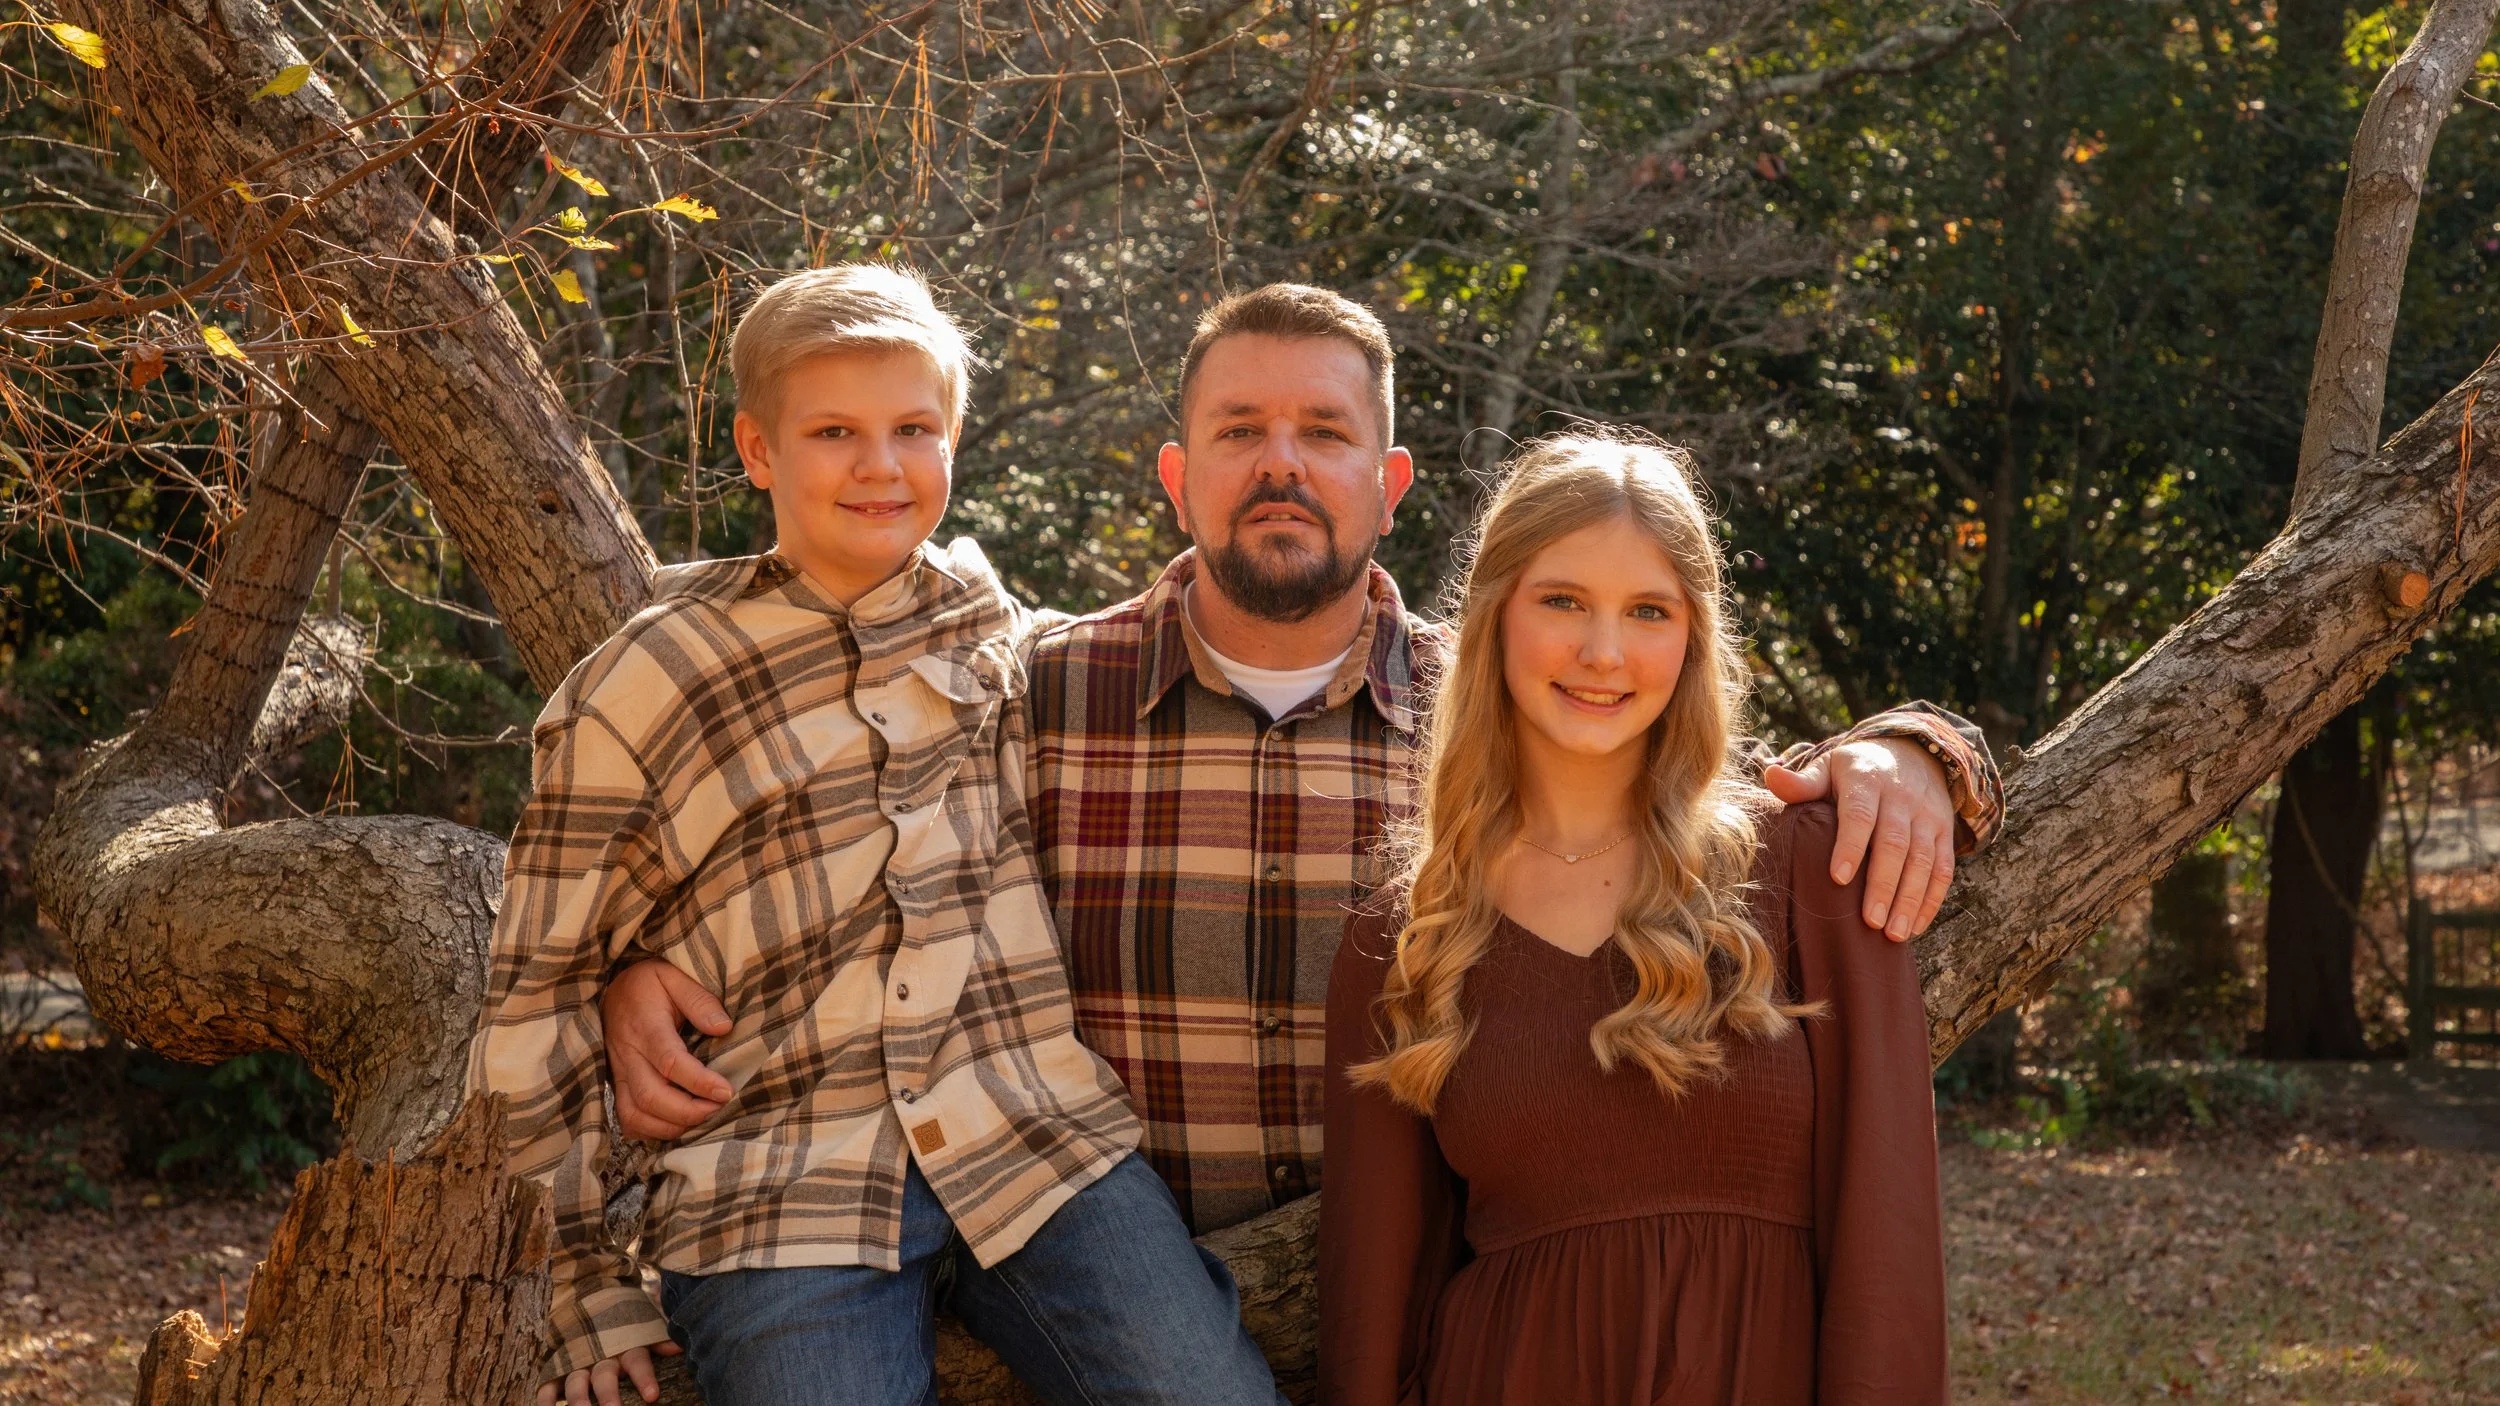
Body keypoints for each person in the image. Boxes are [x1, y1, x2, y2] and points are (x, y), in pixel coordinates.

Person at [599, 286, 1998, 1241]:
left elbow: (1713, 785)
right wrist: (641, 956)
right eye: (1240, 434)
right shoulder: (1029, 687)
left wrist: (1921, 752)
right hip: (1106, 1313)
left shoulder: (1504, 700)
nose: (1283, 465)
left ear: (1388, 481)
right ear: (1177, 475)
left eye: (1325, 433)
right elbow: (814, 825)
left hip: (1440, 1304)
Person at [471, 264, 1284, 1406]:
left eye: (913, 428)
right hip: (781, 1184)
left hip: (1035, 1144)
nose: (880, 465)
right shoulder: (647, 684)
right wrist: (579, 1282)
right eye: (834, 432)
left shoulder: (994, 632)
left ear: (952, 440)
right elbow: (534, 986)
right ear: (759, 452)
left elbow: (1188, 636)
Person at [1319, 430, 1946, 1405]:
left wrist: (1933, 749)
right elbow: (1373, 1310)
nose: (1603, 651)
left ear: (1693, 636)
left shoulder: (1811, 866)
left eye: (1648, 610)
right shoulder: (1408, 938)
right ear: (1495, 618)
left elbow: (1889, 1235)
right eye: (1562, 599)